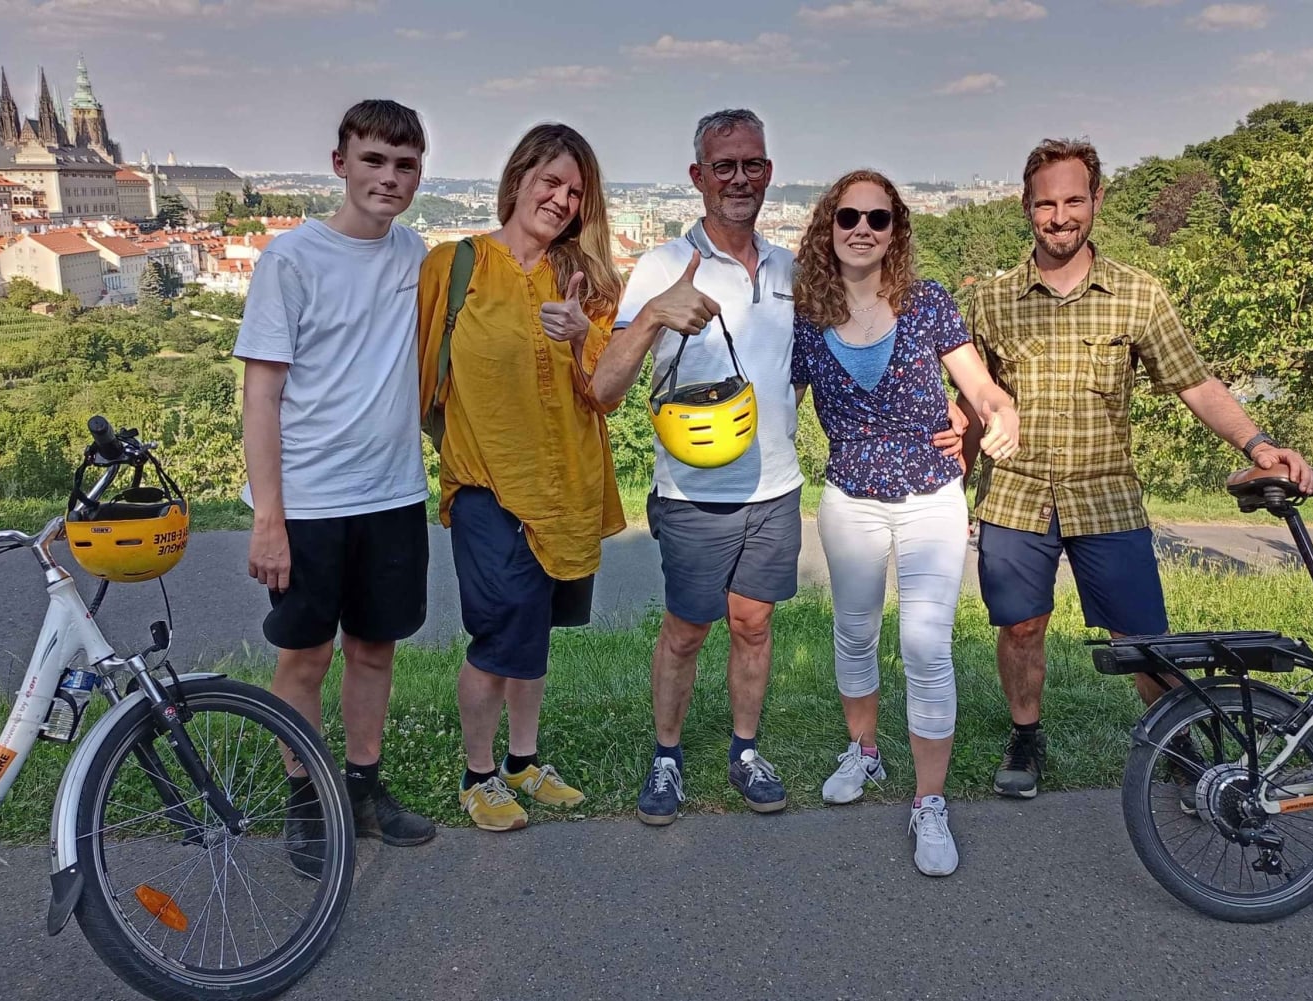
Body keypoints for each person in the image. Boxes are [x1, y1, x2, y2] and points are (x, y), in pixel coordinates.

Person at [960, 137, 1313, 801]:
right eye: (1045, 203)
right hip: (1013, 496)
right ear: (1025, 206)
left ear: (1097, 199)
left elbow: (1195, 384)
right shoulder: (991, 300)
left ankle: (1181, 745)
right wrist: (948, 490)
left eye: (1073, 200)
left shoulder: (1137, 295)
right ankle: (1025, 734)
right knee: (1020, 626)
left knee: (1144, 639)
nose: (1059, 216)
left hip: (1107, 496)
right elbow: (972, 409)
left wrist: (1257, 444)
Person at [791, 169, 1019, 876]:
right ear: (829, 228)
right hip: (851, 498)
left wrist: (997, 415)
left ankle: (929, 803)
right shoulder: (808, 317)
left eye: (878, 219)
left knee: (926, 646)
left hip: (929, 496)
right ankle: (863, 751)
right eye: (849, 217)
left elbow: (979, 386)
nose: (862, 228)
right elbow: (774, 401)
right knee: (854, 633)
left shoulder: (927, 305)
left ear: (897, 232)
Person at [238, 99, 437, 875]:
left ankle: (362, 789)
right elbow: (261, 395)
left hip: (392, 494)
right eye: (374, 161)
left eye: (405, 164)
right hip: (311, 501)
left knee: (375, 650)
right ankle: (304, 799)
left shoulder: (417, 254)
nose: (389, 178)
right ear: (340, 163)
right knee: (304, 659)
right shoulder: (291, 259)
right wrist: (268, 519)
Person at [590, 108, 802, 825]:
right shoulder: (659, 264)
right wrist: (652, 314)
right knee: (687, 627)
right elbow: (605, 389)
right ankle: (667, 757)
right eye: (725, 166)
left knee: (755, 625)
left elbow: (795, 372)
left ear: (768, 172)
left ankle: (744, 751)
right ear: (698, 177)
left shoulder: (788, 266)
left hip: (776, 487)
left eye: (753, 164)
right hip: (691, 492)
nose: (740, 178)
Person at [417, 123, 626, 832]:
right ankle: (478, 776)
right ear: (518, 180)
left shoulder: (587, 281)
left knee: (532, 634)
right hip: (485, 486)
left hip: (564, 487)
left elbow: (606, 393)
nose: (562, 199)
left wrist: (583, 336)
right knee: (498, 635)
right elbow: (419, 375)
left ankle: (523, 762)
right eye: (551, 182)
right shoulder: (456, 264)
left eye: (575, 191)